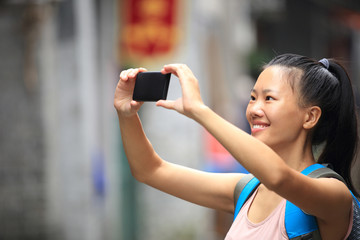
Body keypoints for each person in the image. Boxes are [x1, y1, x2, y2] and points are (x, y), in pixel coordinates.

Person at [114, 53, 358, 239]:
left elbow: (280, 178)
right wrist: (126, 115)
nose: (254, 109)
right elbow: (150, 170)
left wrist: (200, 111)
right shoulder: (248, 191)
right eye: (253, 98)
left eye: (269, 98)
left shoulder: (334, 195)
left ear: (310, 117)